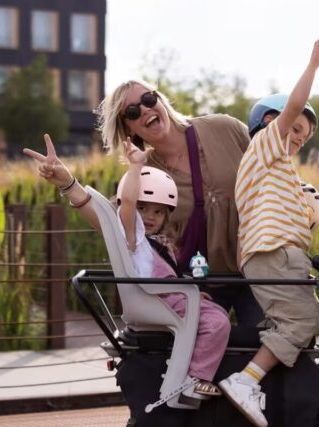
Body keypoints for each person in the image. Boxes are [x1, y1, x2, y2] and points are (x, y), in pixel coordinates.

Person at [25, 133, 283, 427]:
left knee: (217, 317)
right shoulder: (134, 235)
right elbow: (123, 203)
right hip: (159, 302)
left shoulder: (157, 243)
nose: (151, 216)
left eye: (159, 211)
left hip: (171, 297)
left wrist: (192, 290)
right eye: (146, 209)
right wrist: (135, 166)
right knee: (219, 324)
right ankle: (194, 381)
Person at [218, 36, 319, 427]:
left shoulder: (274, 170)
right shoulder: (266, 145)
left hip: (276, 253)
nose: (299, 138)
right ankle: (245, 380)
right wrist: (314, 64)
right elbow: (294, 105)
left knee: (299, 322)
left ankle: (262, 384)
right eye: (296, 128)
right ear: (270, 121)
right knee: (302, 323)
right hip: (274, 252)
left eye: (303, 136)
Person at [97, 79, 264, 344]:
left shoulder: (224, 128)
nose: (145, 110)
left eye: (149, 99)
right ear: (127, 129)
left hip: (255, 270)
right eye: (132, 112)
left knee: (268, 342)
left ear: (160, 100)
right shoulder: (145, 172)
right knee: (198, 353)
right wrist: (68, 185)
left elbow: (272, 165)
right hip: (197, 283)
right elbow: (111, 217)